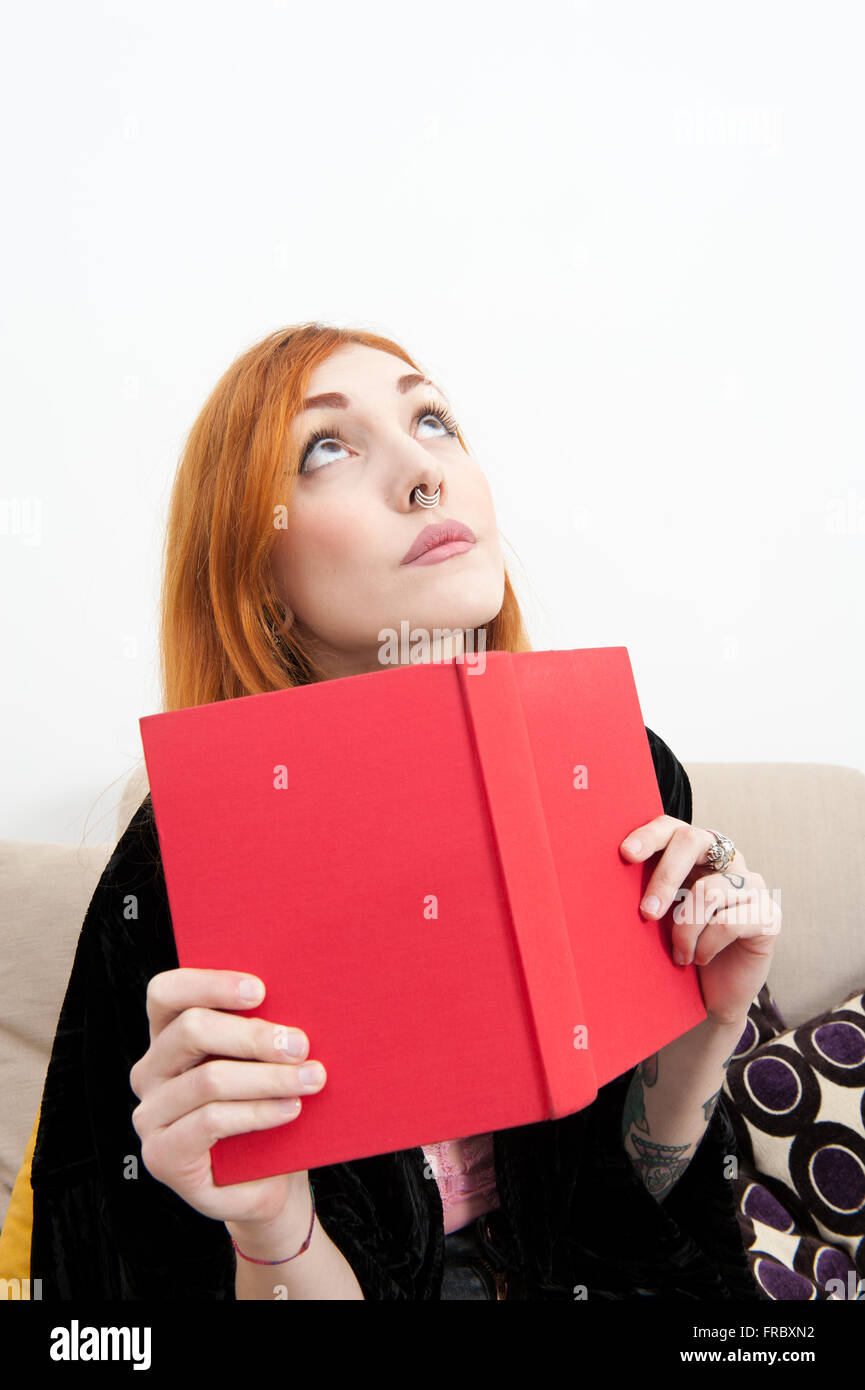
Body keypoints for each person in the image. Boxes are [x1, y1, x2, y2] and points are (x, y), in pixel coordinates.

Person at [28, 322, 779, 1299]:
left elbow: (638, 1221)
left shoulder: (625, 769)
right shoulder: (168, 868)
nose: (424, 471)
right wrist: (269, 1226)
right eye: (328, 447)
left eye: (434, 419)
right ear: (260, 578)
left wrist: (702, 1033)